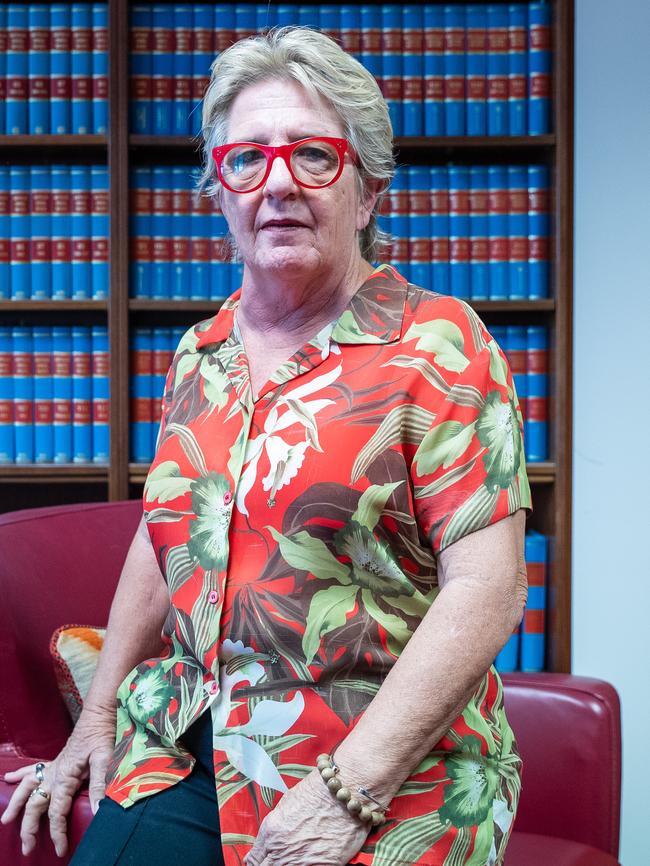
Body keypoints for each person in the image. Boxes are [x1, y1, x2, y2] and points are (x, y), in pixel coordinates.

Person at [1, 26, 532, 866]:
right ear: (219, 190)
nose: (277, 182)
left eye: (313, 156)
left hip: (385, 763)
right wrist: (94, 722)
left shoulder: (441, 346)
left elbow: (490, 589)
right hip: (188, 748)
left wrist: (348, 791)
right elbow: (166, 533)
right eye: (247, 159)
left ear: (367, 191)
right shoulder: (199, 354)